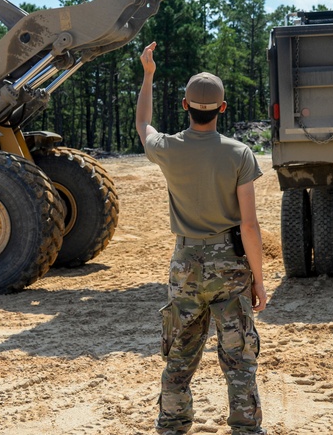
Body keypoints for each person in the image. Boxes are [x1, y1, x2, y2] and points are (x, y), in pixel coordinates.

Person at [136, 41, 267, 435]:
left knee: (178, 359)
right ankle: (246, 429)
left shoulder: (168, 149)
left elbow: (143, 125)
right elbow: (249, 226)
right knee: (239, 362)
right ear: (222, 109)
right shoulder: (240, 153)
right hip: (230, 268)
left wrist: (148, 74)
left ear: (184, 106)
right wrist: (259, 280)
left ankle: (172, 427)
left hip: (186, 267)